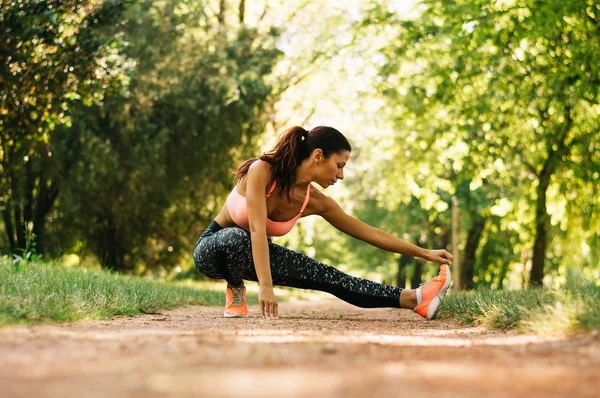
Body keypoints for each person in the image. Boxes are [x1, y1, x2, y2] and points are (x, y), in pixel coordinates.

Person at [193, 126, 453, 320]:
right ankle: (235, 288)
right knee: (239, 238)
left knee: (328, 275)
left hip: (254, 254)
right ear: (318, 156)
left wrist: (424, 253)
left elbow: (368, 232)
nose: (341, 175)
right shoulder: (262, 170)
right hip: (213, 251)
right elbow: (256, 228)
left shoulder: (315, 200)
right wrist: (266, 287)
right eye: (339, 165)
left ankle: (415, 299)